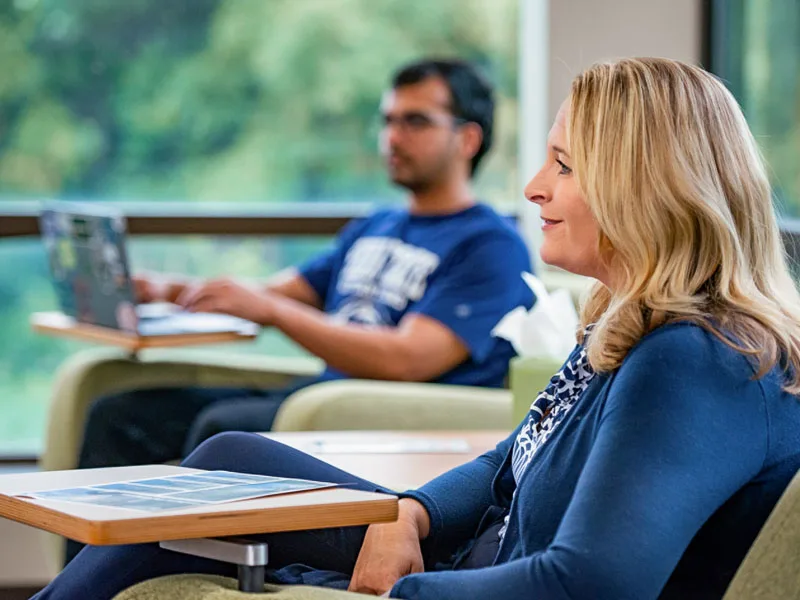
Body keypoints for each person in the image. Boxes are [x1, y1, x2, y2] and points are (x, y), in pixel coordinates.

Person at [38, 56, 800, 600]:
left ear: (643, 190)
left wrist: (404, 589)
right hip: (479, 544)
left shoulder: (696, 359)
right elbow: (512, 461)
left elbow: (589, 582)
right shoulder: (637, 324)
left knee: (188, 521)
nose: (536, 188)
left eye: (563, 167)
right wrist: (412, 512)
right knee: (227, 456)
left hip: (488, 573)